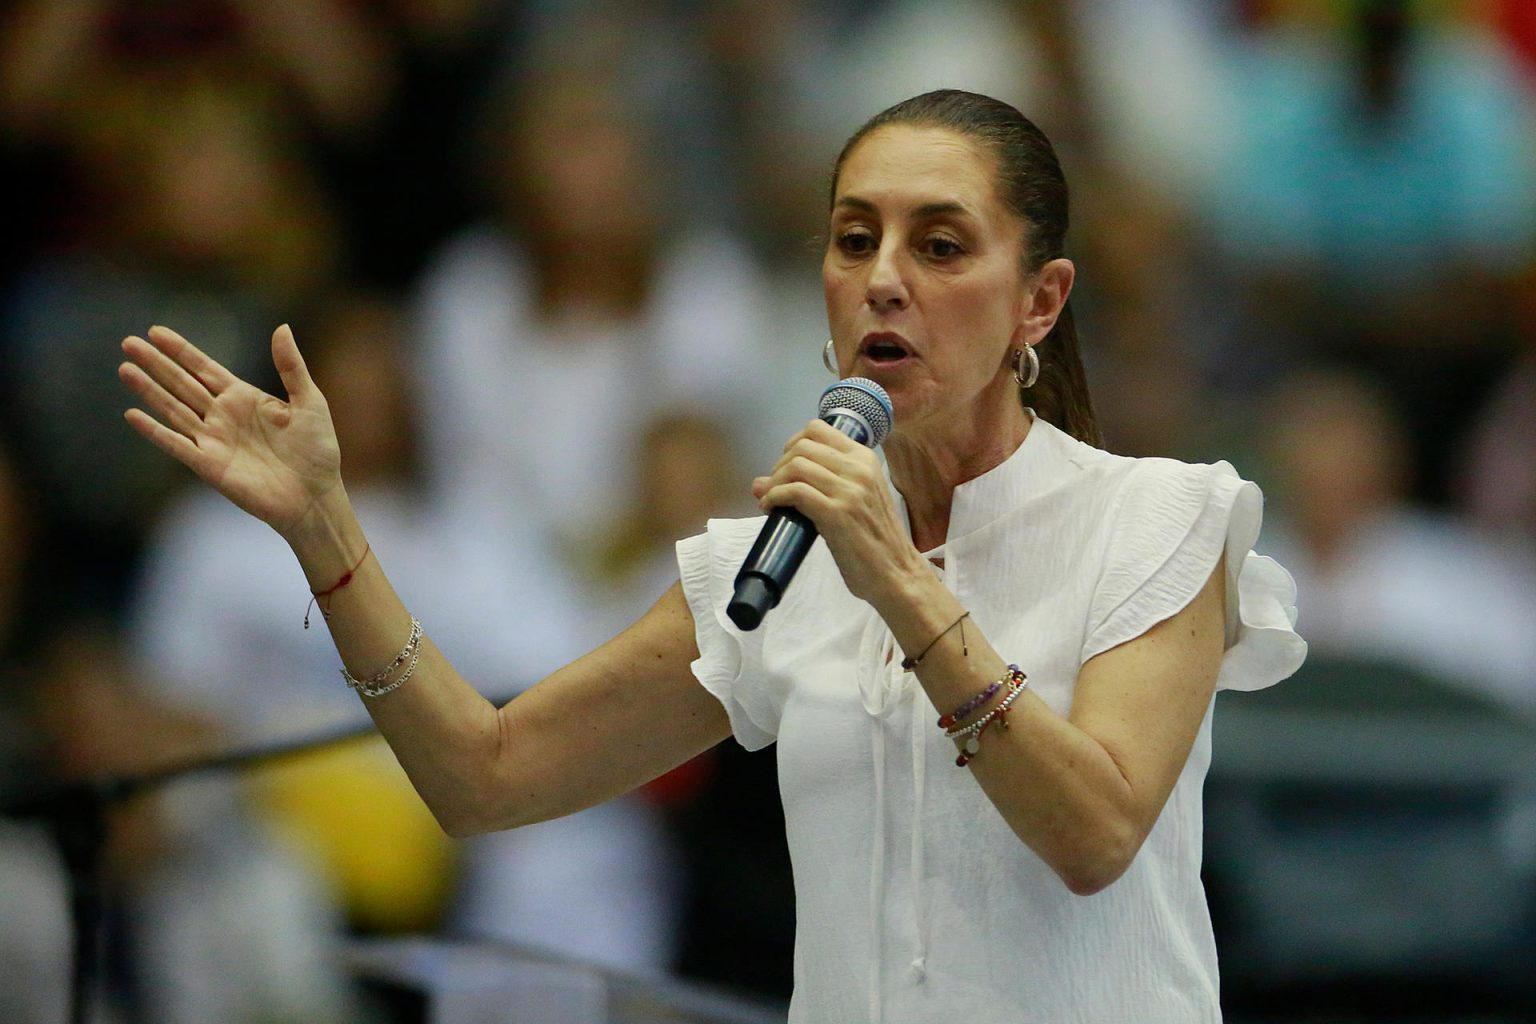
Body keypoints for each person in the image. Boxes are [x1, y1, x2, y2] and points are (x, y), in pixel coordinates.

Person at [118, 90, 1306, 1022]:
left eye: (941, 246)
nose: (883, 276)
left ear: (1040, 303)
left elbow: (1095, 834)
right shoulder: (781, 564)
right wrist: (327, 531)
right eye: (855, 239)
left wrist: (895, 577)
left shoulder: (1160, 518)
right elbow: (484, 775)